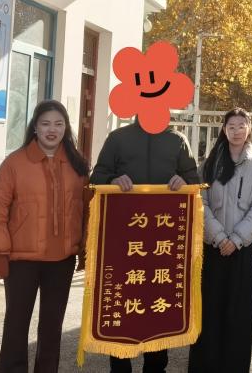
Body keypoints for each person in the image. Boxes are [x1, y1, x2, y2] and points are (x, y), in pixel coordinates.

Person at [0, 99, 91, 373]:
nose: (52, 130)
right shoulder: (14, 163)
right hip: (22, 261)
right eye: (45, 124)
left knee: (52, 328)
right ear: (35, 128)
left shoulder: (77, 165)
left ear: (66, 128)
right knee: (16, 325)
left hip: (62, 261)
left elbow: (88, 210)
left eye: (58, 124)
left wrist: (85, 248)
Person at [90, 116, 200, 373]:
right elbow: (97, 177)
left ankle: (156, 366)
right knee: (121, 301)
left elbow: (194, 181)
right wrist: (112, 181)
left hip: (163, 240)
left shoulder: (178, 140)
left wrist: (184, 182)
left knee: (158, 303)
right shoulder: (118, 138)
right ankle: (119, 365)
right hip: (123, 238)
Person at [188, 108, 252, 372]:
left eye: (241, 126)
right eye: (231, 126)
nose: (236, 131)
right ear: (224, 130)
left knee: (239, 313)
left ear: (249, 129)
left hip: (242, 250)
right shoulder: (210, 164)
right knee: (209, 311)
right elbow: (199, 202)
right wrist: (219, 237)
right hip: (212, 248)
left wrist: (236, 239)